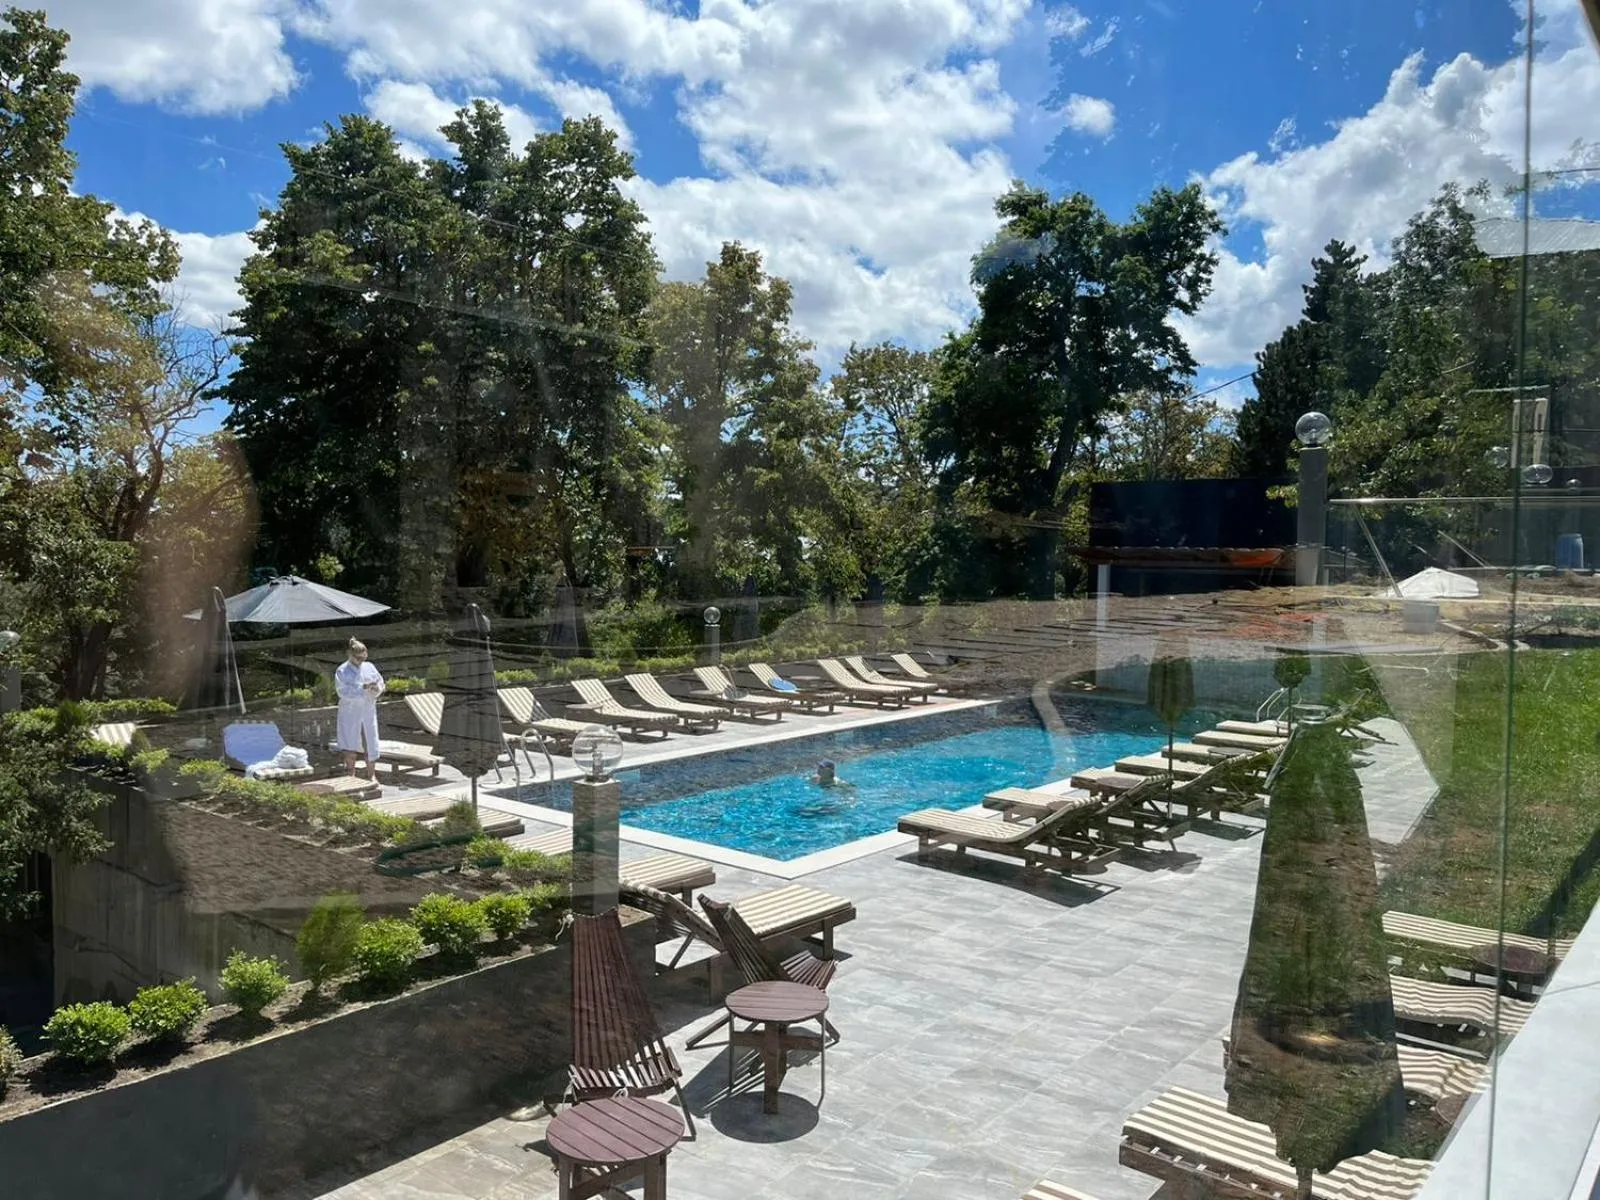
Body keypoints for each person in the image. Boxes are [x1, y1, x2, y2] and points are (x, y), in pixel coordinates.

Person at [334, 638, 384, 780]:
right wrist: (362, 689)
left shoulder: (370, 666)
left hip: (368, 711)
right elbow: (342, 691)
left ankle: (371, 775)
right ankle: (351, 774)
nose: (361, 660)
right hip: (351, 712)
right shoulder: (342, 670)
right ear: (349, 654)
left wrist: (376, 688)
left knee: (370, 742)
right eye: (358, 657)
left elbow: (380, 683)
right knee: (350, 742)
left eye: (363, 657)